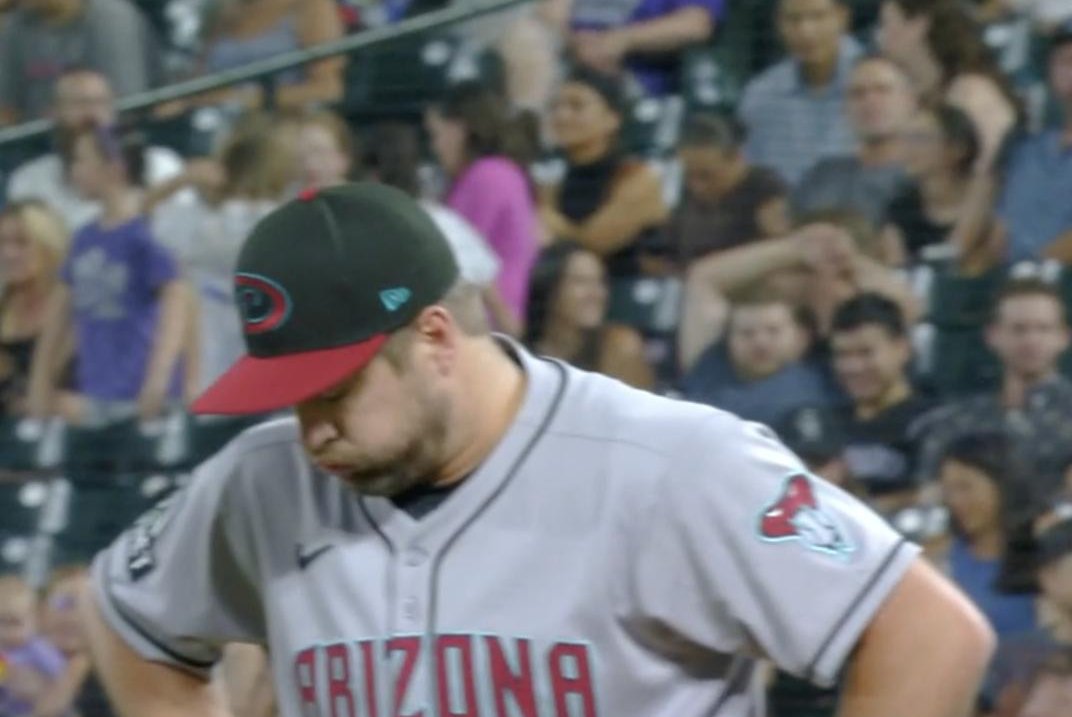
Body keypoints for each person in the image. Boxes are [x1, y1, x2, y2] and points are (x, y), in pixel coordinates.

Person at [80, 182, 994, 717]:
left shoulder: (671, 462)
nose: (312, 428)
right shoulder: (262, 480)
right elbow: (126, 609)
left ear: (434, 337)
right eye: (289, 395)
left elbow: (928, 631)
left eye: (336, 390)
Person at [26, 126, 187, 426]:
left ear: (114, 168)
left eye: (82, 161)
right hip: (95, 394)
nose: (75, 170)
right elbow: (60, 314)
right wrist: (40, 379)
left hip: (140, 395)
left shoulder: (148, 234)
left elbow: (175, 309)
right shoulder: (84, 237)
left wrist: (159, 377)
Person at [148, 112, 294, 393]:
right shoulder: (286, 221)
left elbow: (140, 218)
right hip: (272, 369)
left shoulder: (196, 220)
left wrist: (182, 179)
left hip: (207, 375)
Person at [679, 210, 920, 373]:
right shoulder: (738, 339)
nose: (802, 285)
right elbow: (703, 278)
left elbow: (910, 309)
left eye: (842, 276)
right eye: (796, 271)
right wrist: (792, 249)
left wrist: (848, 259)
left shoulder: (854, 360)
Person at [915, 278, 1072, 506]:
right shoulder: (957, 421)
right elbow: (930, 494)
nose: (1031, 340)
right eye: (1019, 329)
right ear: (992, 336)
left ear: (1064, 337)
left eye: (1044, 329)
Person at [5, 67, 186, 233]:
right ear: (54, 112)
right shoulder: (29, 181)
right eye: (78, 103)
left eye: (99, 102)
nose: (91, 113)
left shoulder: (162, 166)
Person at [427, 81, 539, 327]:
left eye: (437, 134)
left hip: (491, 318)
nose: (435, 147)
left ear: (460, 129)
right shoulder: (492, 173)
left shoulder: (488, 175)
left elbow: (461, 257)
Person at [539, 68, 669, 281]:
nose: (561, 116)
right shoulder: (556, 180)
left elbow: (593, 245)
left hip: (625, 295)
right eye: (556, 107)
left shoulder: (638, 177)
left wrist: (545, 219)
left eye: (576, 106)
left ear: (612, 119)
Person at [877, 0, 1020, 172]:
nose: (881, 40)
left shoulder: (973, 94)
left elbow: (989, 173)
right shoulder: (917, 97)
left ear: (917, 26)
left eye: (887, 24)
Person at [826, 293, 933, 513]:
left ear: (902, 349)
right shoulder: (823, 424)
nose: (853, 367)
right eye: (842, 355)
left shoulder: (933, 422)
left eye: (866, 353)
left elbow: (936, 494)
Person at [739, 0, 862, 185]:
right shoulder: (761, 96)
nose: (806, 31)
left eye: (818, 16)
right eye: (793, 19)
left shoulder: (878, 86)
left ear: (842, 17)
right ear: (779, 24)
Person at [157, 0, 344, 117]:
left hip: (285, 122)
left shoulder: (310, 5)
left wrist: (246, 100)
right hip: (217, 121)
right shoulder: (221, 10)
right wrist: (180, 104)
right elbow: (200, 83)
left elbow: (328, 90)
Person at [792, 55, 916, 230]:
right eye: (858, 94)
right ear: (844, 108)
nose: (870, 102)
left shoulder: (926, 179)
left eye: (883, 90)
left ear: (910, 101)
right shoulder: (821, 177)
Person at [934, 433, 1039, 640]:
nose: (954, 500)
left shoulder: (1045, 550)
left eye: (965, 487)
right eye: (948, 489)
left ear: (1004, 485)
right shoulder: (940, 559)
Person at [683, 287, 837, 427]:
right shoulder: (709, 371)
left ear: (802, 337)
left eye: (773, 331)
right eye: (747, 333)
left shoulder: (819, 387)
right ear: (727, 341)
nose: (760, 343)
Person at [0, 0, 157, 125]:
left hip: (110, 138)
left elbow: (127, 105)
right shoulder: (15, 26)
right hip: (34, 145)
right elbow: (6, 109)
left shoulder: (111, 16)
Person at [666, 112, 790, 267]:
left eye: (706, 176)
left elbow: (782, 255)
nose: (696, 187)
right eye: (689, 175)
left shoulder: (766, 192)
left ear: (736, 158)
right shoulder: (685, 192)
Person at [525, 242, 654, 389]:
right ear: (549, 289)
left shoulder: (621, 347)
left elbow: (643, 410)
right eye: (580, 282)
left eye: (600, 282)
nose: (595, 293)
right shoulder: (524, 354)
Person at [996, 26, 1072, 264]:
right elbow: (1001, 227)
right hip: (1011, 280)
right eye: (1064, 60)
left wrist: (1035, 269)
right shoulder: (1026, 149)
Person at [881, 103, 983, 266]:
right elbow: (895, 266)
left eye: (921, 138)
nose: (909, 148)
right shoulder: (900, 209)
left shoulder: (984, 206)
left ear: (957, 148)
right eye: (907, 138)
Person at [563, 0, 724, 96]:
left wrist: (620, 41)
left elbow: (695, 25)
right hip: (568, 65)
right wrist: (574, 41)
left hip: (635, 83)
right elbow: (551, 13)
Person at [0, 201, 72, 417]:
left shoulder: (73, 309)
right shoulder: (4, 307)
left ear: (49, 246)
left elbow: (45, 389)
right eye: (1, 243)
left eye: (22, 243)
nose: (8, 254)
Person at [40, 566, 114, 717]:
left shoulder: (113, 685)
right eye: (64, 603)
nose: (74, 617)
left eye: (88, 606)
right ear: (40, 610)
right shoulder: (13, 656)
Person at [0, 575, 67, 717]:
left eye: (14, 623)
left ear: (34, 622)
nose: (4, 631)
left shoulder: (38, 649)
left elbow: (60, 676)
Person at [294, 109, 358, 191]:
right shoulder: (292, 198)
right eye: (302, 157)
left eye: (319, 153)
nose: (309, 164)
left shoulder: (359, 201)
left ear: (343, 157)